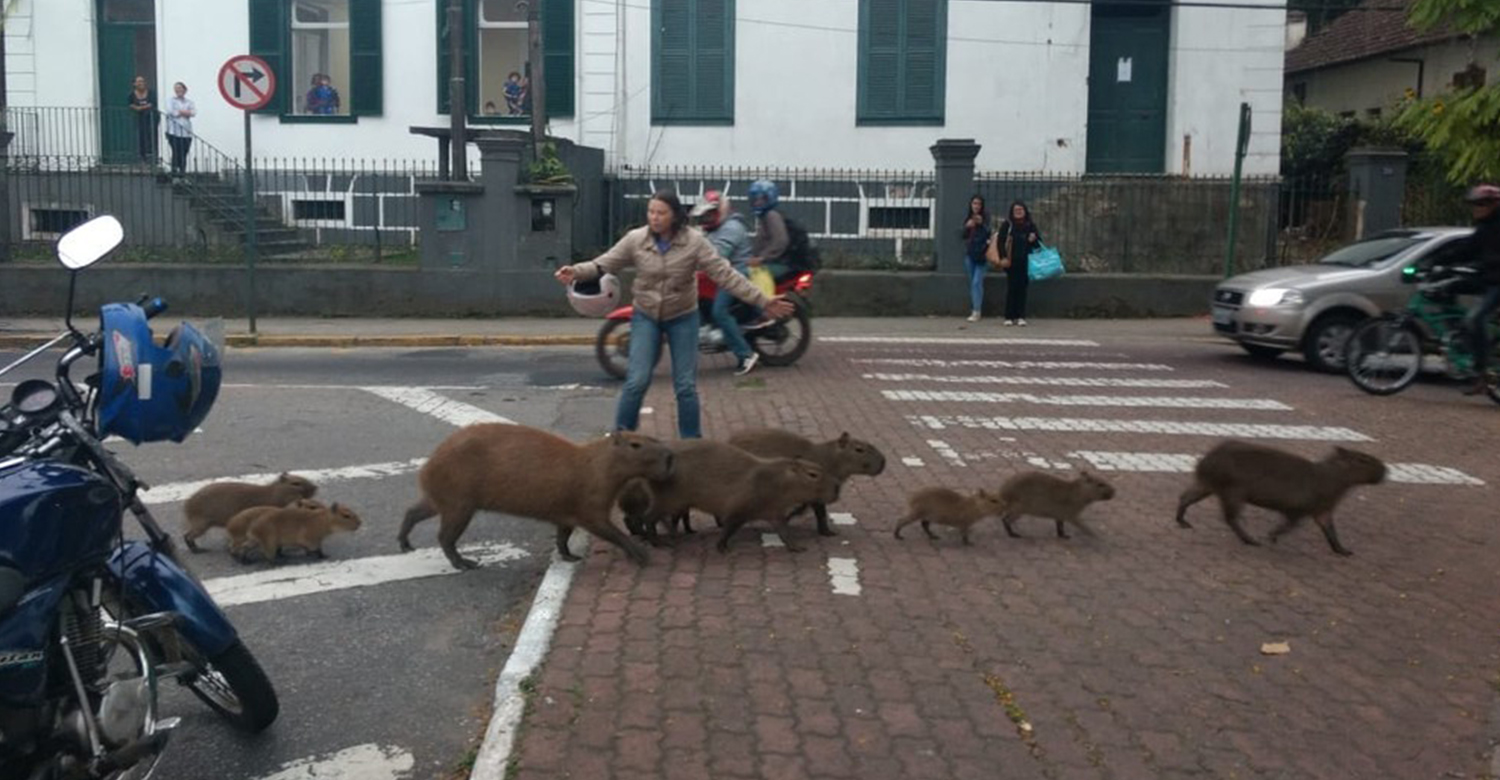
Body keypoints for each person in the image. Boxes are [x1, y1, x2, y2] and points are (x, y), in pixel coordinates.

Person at [554, 190, 795, 438]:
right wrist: (576, 271)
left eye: (661, 213)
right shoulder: (635, 239)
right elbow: (603, 264)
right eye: (651, 212)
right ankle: (621, 438)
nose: (655, 218)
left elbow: (725, 274)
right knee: (636, 381)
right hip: (646, 316)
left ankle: (691, 443)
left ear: (675, 216)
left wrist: (763, 301)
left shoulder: (694, 242)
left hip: (682, 317)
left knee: (685, 386)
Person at [691, 189, 761, 376]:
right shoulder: (714, 228)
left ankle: (745, 354)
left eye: (710, 214)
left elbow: (717, 254)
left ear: (720, 211)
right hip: (722, 272)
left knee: (719, 311)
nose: (706, 218)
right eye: (705, 215)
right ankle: (706, 330)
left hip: (737, 273)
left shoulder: (731, 227)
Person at [1459, 184, 1500, 396]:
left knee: (1475, 319)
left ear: (1494, 205)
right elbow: (1467, 249)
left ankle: (1482, 372)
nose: (1476, 208)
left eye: (1481, 204)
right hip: (1489, 280)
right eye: (1474, 204)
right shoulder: (1484, 228)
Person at [996, 200, 1042, 326]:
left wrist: (1033, 239)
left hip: (1026, 261)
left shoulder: (1030, 225)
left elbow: (1038, 244)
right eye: (1016, 210)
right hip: (1011, 261)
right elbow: (1000, 241)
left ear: (1025, 211)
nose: (1018, 212)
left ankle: (1021, 316)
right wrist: (1003, 257)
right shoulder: (1007, 224)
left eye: (1021, 210)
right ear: (1012, 212)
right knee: (1012, 288)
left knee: (1023, 288)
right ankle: (1009, 316)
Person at [961, 195, 993, 323]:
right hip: (970, 254)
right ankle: (975, 307)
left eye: (979, 204)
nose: (976, 206)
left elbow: (990, 233)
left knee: (976, 282)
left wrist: (982, 224)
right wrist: (967, 226)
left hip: (983, 255)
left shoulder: (986, 219)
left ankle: (976, 310)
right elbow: (963, 236)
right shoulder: (968, 218)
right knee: (973, 283)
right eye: (974, 203)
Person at [164, 81, 195, 180]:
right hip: (173, 131)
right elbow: (170, 111)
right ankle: (174, 173)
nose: (178, 90)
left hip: (186, 132)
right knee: (176, 151)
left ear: (184, 90)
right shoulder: (171, 100)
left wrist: (180, 112)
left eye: (180, 88)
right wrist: (185, 112)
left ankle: (182, 173)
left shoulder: (189, 102)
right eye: (176, 88)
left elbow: (193, 112)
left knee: (184, 152)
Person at [128, 76, 158, 165]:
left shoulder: (151, 93)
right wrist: (140, 108)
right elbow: (130, 104)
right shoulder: (131, 95)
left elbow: (152, 103)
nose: (141, 83)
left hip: (150, 118)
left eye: (143, 81)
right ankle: (142, 157)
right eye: (139, 82)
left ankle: (153, 156)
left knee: (151, 136)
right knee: (141, 137)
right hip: (138, 119)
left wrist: (139, 107)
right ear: (134, 84)